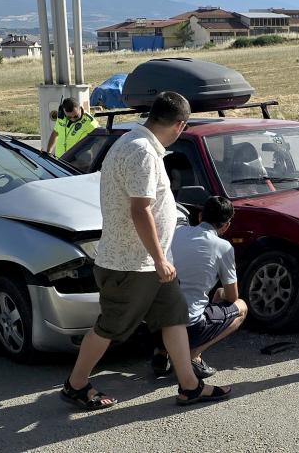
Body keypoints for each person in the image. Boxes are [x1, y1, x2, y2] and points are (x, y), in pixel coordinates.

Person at [62, 92, 232, 411]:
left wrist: (160, 260)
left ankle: (190, 386)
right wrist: (158, 258)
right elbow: (141, 210)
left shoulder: (135, 143)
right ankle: (76, 384)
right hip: (132, 264)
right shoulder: (141, 152)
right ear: (180, 125)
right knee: (110, 327)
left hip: (150, 265)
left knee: (174, 317)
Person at [150, 196, 247, 380]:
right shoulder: (223, 247)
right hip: (189, 326)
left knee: (175, 299)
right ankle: (193, 354)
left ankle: (161, 352)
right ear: (226, 225)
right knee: (241, 307)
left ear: (200, 216)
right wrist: (220, 292)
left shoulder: (176, 233)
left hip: (158, 322)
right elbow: (233, 296)